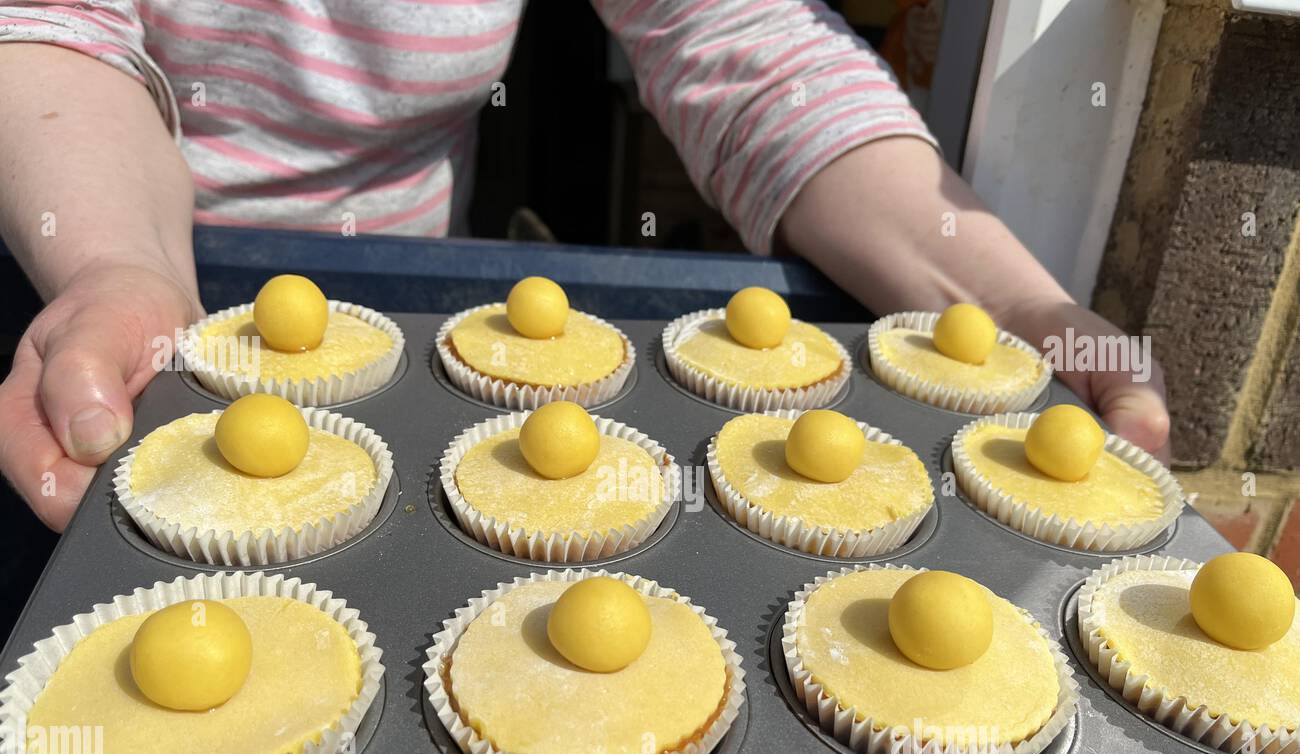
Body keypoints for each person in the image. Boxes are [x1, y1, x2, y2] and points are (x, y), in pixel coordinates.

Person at [0, 0, 1169, 531]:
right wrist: (113, 267)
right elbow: (53, 24)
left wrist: (1012, 301)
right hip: (96, 281)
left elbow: (739, 41)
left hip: (397, 320)